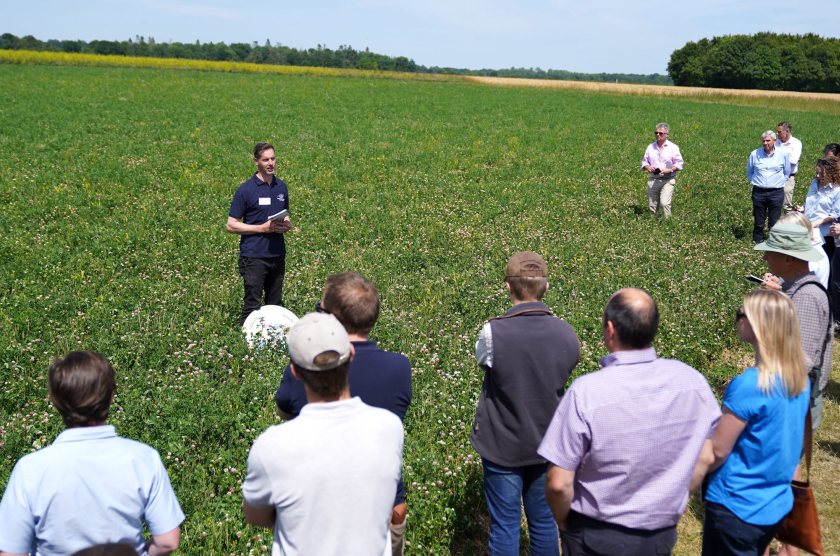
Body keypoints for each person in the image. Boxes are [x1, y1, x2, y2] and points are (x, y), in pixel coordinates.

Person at [538, 288, 720, 556]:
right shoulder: (692, 382)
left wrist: (565, 523)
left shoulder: (586, 392)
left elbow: (558, 483)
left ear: (610, 330)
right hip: (659, 533)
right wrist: (673, 502)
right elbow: (705, 457)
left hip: (596, 535)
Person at [243, 313, 403, 556]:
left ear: (294, 371)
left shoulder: (272, 446)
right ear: (352, 354)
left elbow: (255, 515)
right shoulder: (389, 427)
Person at [274, 272, 412, 555]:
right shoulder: (399, 368)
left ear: (332, 318)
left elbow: (285, 412)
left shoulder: (306, 370)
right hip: (384, 508)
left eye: (320, 310)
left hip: (318, 508)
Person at [0, 351, 184, 556]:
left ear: (55, 400)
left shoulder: (31, 469)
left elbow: (12, 552)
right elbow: (168, 542)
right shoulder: (143, 458)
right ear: (111, 395)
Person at [471, 251, 580, 555]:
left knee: (505, 524)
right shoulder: (566, 333)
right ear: (545, 286)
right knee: (544, 522)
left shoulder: (493, 331)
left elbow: (484, 361)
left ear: (508, 286)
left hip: (502, 442)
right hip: (548, 441)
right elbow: (567, 366)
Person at [702, 289, 810, 556]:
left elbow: (717, 451)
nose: (738, 319)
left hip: (735, 505)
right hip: (773, 505)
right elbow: (793, 448)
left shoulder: (750, 384)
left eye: (742, 314)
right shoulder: (799, 379)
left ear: (760, 326)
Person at [756, 223, 832, 430]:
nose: (765, 258)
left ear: (788, 259)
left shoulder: (806, 297)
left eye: (770, 253)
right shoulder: (795, 290)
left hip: (792, 402)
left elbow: (801, 362)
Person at [227, 142, 293, 326]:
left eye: (273, 158)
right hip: (254, 256)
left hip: (277, 254)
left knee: (275, 306)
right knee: (252, 306)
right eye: (266, 159)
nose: (271, 163)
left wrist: (286, 225)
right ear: (256, 161)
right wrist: (261, 229)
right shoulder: (246, 189)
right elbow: (231, 225)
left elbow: (286, 216)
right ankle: (244, 346)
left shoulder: (281, 187)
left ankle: (271, 345)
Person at [748, 130, 791, 242]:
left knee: (774, 220)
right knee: (759, 219)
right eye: (763, 141)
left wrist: (779, 182)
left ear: (774, 141)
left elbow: (787, 172)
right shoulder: (754, 154)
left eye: (768, 140)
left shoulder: (782, 154)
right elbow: (750, 171)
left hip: (776, 192)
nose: (765, 143)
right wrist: (756, 181)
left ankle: (773, 242)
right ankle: (757, 240)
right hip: (759, 192)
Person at [772, 212, 829, 290]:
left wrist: (776, 289)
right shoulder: (812, 248)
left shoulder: (809, 258)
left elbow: (801, 289)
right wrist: (780, 281)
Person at [640, 122, 684, 218]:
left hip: (668, 180)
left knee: (664, 203)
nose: (658, 135)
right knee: (652, 205)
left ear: (667, 135)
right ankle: (654, 224)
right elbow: (644, 162)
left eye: (661, 133)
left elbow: (679, 163)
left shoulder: (673, 148)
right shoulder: (650, 147)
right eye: (656, 133)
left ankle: (668, 224)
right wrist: (648, 167)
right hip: (653, 179)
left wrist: (670, 170)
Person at [776, 121, 803, 206]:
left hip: (788, 177)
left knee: (786, 205)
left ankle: (788, 219)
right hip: (775, 175)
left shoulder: (796, 143)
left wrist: (777, 158)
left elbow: (793, 160)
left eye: (779, 132)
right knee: (773, 203)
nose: (777, 134)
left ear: (787, 131)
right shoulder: (776, 142)